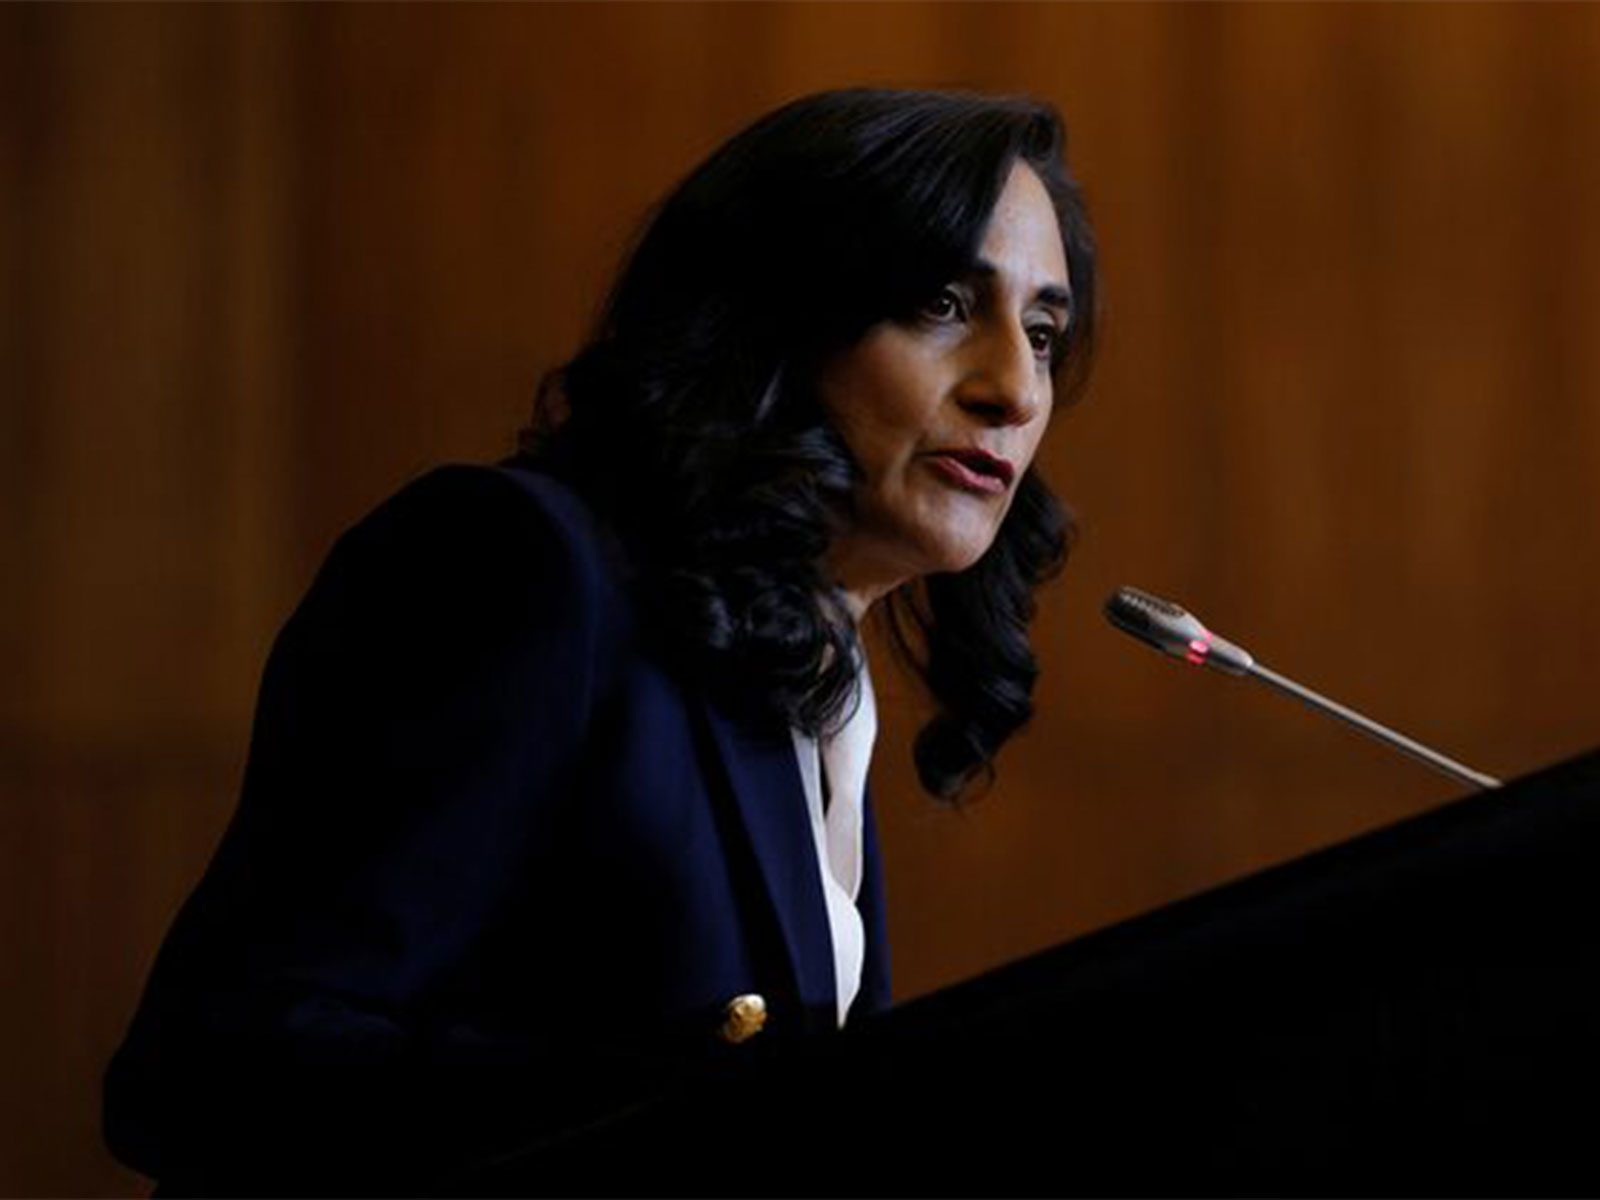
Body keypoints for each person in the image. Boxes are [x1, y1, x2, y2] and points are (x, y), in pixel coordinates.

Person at [103, 87, 1098, 1194]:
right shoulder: (524, 568)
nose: (1013, 387)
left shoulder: (817, 677)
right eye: (941, 303)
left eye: (1045, 335)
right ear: (776, 313)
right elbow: (214, 1069)